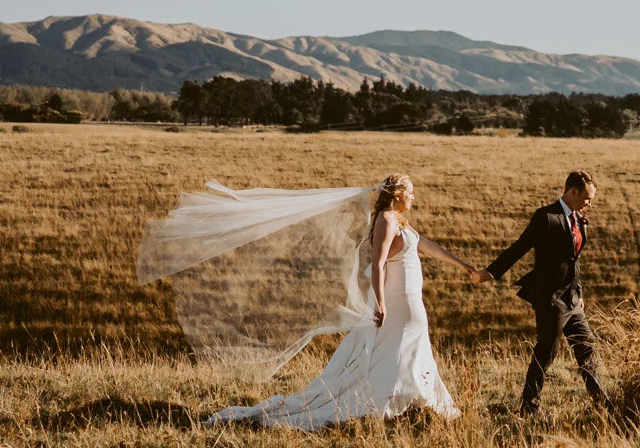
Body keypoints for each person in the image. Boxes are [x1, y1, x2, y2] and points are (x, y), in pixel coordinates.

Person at [205, 173, 487, 429]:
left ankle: (411, 397)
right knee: (402, 345)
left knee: (408, 346)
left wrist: (463, 266)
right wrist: (381, 303)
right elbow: (377, 265)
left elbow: (427, 246)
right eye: (410, 192)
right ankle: (395, 398)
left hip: (412, 297)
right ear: (397, 194)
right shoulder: (386, 222)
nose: (414, 197)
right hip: (399, 299)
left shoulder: (401, 221)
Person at [487, 169, 607, 415]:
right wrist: (490, 273)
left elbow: (575, 260)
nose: (589, 204)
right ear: (572, 192)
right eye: (587, 198)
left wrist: (579, 293)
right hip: (551, 300)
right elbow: (519, 247)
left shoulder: (577, 218)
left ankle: (602, 403)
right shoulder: (546, 217)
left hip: (572, 299)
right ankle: (529, 407)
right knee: (546, 353)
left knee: (586, 347)